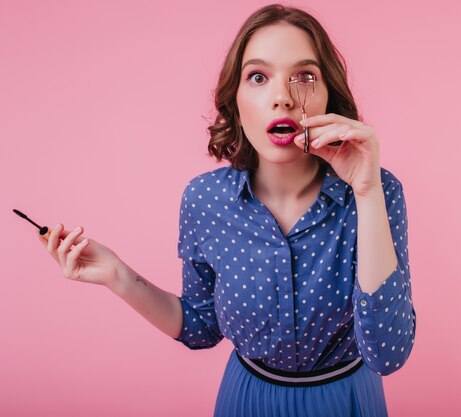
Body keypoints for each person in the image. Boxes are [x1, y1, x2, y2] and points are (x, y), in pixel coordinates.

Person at [38, 4, 416, 416]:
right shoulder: (205, 201)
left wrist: (367, 191)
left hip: (347, 402)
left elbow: (388, 354)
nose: (282, 97)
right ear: (234, 99)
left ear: (329, 95)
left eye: (304, 77)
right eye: (258, 77)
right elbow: (200, 328)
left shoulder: (377, 192)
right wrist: (116, 275)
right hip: (246, 401)